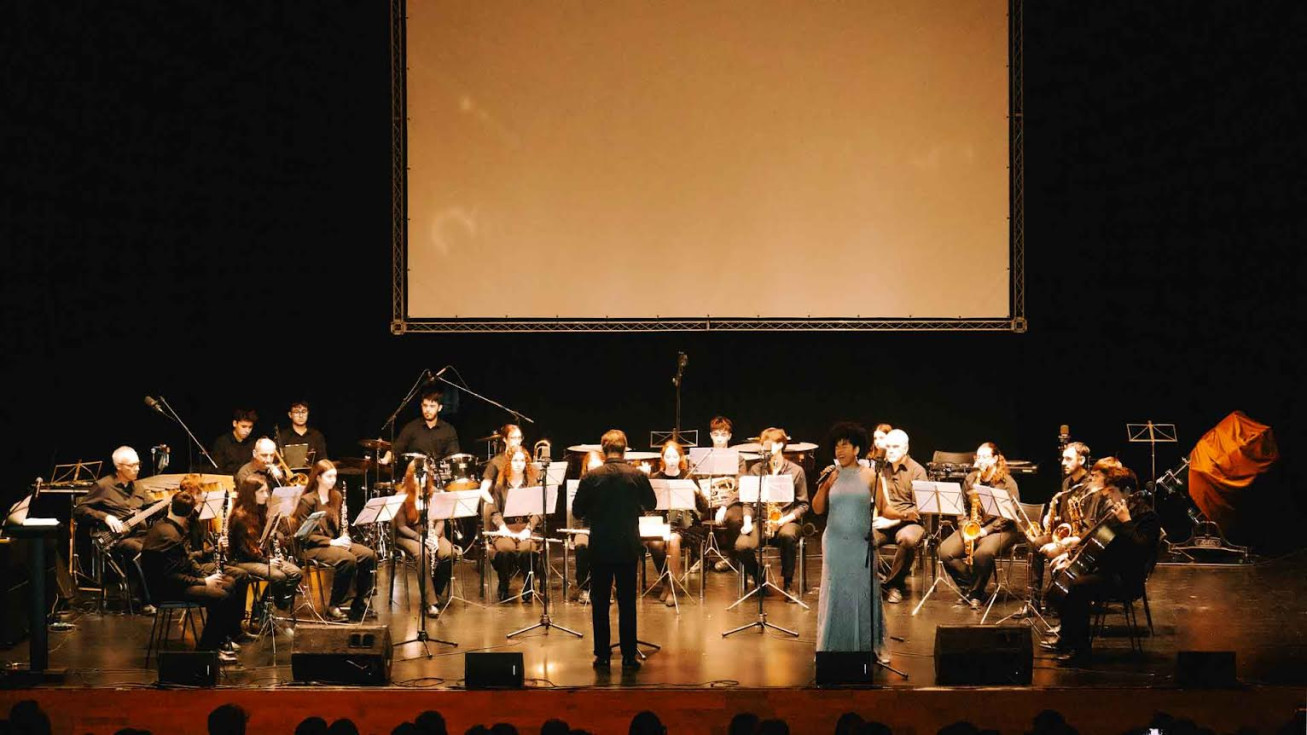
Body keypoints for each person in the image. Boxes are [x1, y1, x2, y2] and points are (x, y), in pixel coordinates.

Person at [1042, 464, 1160, 664]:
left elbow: (1140, 550)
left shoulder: (1147, 517)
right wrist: (1073, 554)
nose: (1109, 498)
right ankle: (1068, 640)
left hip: (1127, 578)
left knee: (1078, 587)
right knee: (1067, 576)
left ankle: (1080, 651)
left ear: (1128, 492)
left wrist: (1127, 522)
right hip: (1108, 571)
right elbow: (1099, 541)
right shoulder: (1116, 513)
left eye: (1113, 493)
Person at [812, 422, 906, 659]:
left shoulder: (870, 476)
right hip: (834, 542)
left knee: (861, 592)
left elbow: (885, 508)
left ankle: (864, 647)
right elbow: (817, 508)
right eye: (836, 446)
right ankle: (833, 647)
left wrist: (906, 514)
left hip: (860, 543)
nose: (839, 451)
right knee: (835, 592)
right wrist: (826, 484)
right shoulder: (831, 474)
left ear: (856, 449)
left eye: (845, 445)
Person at [572, 429, 657, 671]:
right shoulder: (637, 475)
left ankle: (602, 655)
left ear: (603, 449)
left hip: (600, 546)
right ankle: (629, 656)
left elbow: (577, 511)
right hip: (628, 544)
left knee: (600, 602)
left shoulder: (591, 477)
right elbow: (651, 504)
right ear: (625, 449)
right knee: (627, 602)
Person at [139, 489, 247, 662]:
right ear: (190, 513)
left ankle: (220, 638)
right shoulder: (170, 536)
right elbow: (171, 577)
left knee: (229, 583)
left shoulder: (168, 525)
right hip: (165, 590)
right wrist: (204, 581)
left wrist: (205, 575)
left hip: (175, 581)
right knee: (222, 596)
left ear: (170, 506)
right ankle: (206, 650)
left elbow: (186, 560)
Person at [937, 442, 1023, 608]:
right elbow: (962, 508)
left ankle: (975, 594)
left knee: (982, 554)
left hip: (1002, 529)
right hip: (974, 527)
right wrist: (965, 529)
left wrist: (986, 530)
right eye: (979, 457)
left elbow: (1010, 515)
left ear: (995, 459)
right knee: (945, 551)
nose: (981, 460)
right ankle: (971, 587)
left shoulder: (1007, 483)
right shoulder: (971, 479)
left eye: (985, 457)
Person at [74, 445, 155, 612]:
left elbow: (151, 509)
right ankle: (147, 601)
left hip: (142, 533)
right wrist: (105, 517)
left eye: (138, 464)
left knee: (165, 542)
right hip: (120, 538)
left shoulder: (138, 486)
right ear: (119, 466)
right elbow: (80, 510)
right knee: (141, 549)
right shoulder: (104, 486)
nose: (137, 468)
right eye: (131, 465)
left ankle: (165, 595)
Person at [295, 460, 377, 621]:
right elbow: (303, 535)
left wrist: (343, 537)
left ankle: (359, 601)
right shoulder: (308, 500)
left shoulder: (336, 496)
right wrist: (332, 542)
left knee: (369, 555)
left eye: (335, 476)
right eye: (329, 476)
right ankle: (333, 604)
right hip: (311, 546)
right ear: (318, 477)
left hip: (334, 543)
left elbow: (338, 526)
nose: (333, 480)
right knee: (348, 559)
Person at [734, 427, 808, 599]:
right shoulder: (756, 470)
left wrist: (783, 520)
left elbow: (804, 505)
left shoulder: (796, 471)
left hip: (786, 520)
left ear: (781, 445)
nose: (765, 449)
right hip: (762, 520)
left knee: (788, 536)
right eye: (763, 445)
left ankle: (788, 583)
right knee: (741, 546)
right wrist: (746, 522)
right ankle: (758, 576)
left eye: (770, 445)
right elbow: (748, 502)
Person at [1024, 441, 1092, 611]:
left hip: (1079, 539)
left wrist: (1062, 542)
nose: (1063, 463)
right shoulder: (1067, 482)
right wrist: (1050, 517)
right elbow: (1064, 513)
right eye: (1063, 459)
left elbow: (1089, 523)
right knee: (1035, 543)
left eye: (1068, 459)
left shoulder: (1090, 486)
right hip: (1063, 534)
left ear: (1082, 461)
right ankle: (1033, 601)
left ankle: (1061, 602)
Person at [647, 439, 710, 606]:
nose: (672, 460)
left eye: (675, 456)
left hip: (687, 525)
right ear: (663, 458)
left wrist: (696, 491)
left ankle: (672, 588)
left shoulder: (689, 477)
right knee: (654, 543)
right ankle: (666, 582)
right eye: (668, 456)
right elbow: (649, 508)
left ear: (680, 458)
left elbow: (704, 508)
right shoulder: (656, 478)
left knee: (673, 539)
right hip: (664, 523)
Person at [227, 475, 303, 610]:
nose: (266, 495)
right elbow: (244, 550)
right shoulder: (239, 517)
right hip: (242, 560)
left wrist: (272, 555)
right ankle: (266, 609)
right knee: (278, 576)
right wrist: (267, 561)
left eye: (266, 491)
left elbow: (263, 540)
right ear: (251, 494)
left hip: (259, 557)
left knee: (296, 573)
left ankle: (264, 605)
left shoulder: (259, 511)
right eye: (261, 492)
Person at [870, 428, 928, 604]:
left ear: (906, 448)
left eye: (896, 447)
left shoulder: (917, 471)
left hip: (910, 522)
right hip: (884, 519)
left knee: (908, 539)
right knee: (862, 537)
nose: (891, 450)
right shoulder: (880, 469)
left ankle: (894, 585)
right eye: (888, 447)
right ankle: (877, 582)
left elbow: (920, 509)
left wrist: (893, 520)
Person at [393, 460, 455, 615]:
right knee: (422, 554)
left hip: (432, 532)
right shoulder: (401, 495)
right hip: (408, 535)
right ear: (410, 475)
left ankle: (434, 591)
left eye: (425, 474)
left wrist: (434, 536)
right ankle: (430, 602)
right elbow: (401, 527)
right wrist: (420, 538)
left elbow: (441, 520)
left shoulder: (434, 492)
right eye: (418, 474)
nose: (422, 478)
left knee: (449, 553)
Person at [483, 447, 541, 602]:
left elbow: (538, 512)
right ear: (509, 463)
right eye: (515, 460)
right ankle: (504, 583)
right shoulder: (499, 485)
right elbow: (494, 511)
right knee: (505, 549)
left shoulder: (532, 484)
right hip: (506, 529)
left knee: (527, 549)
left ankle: (529, 584)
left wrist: (529, 529)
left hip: (525, 529)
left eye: (522, 460)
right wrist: (502, 527)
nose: (518, 464)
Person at [706, 416, 746, 572]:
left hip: (730, 502)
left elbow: (739, 486)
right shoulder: (704, 457)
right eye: (716, 435)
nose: (720, 439)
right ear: (711, 435)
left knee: (735, 519)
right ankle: (701, 558)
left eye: (723, 435)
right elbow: (697, 481)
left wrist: (723, 506)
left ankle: (732, 557)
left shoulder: (738, 459)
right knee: (690, 518)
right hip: (707, 500)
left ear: (729, 436)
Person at [382, 389, 460, 466]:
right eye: (425, 406)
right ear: (421, 405)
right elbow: (396, 449)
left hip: (439, 475)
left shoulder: (448, 430)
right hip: (414, 473)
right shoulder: (411, 427)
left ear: (439, 408)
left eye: (432, 406)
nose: (427, 410)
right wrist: (385, 460)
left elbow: (453, 457)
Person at [567, 450, 604, 603]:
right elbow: (576, 513)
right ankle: (584, 587)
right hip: (584, 528)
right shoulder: (582, 485)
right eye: (591, 467)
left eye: (598, 466)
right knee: (582, 545)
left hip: (605, 529)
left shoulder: (611, 484)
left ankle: (605, 588)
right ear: (586, 468)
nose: (595, 470)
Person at [277, 400, 328, 466]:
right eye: (296, 412)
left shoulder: (316, 436)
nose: (301, 415)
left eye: (304, 412)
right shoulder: (282, 437)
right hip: (289, 475)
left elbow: (323, 460)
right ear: (290, 415)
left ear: (308, 413)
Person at [211, 409, 258, 476]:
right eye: (243, 426)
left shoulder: (253, 443)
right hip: (227, 481)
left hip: (247, 482)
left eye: (250, 427)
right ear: (235, 423)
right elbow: (218, 469)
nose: (247, 431)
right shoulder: (222, 442)